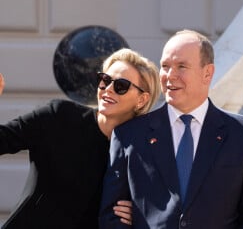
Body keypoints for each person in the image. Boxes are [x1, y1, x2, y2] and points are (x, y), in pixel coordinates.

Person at [99, 29, 243, 228]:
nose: (170, 75)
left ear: (207, 73)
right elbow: (111, 217)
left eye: (181, 66)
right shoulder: (128, 135)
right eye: (165, 66)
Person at [0, 48, 161, 229]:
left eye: (120, 85)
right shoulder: (58, 116)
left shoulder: (143, 154)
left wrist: (142, 215)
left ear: (142, 100)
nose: (108, 89)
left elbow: (165, 208)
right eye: (105, 80)